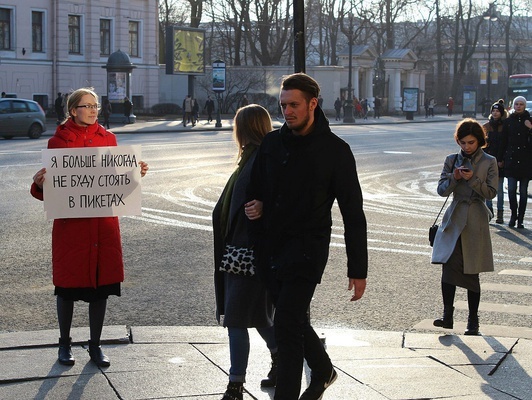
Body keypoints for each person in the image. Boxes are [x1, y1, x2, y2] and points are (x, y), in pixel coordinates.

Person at [246, 73, 368, 400]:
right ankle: (324, 370)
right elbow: (254, 190)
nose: (287, 111)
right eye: (283, 105)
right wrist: (256, 205)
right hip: (270, 249)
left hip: (307, 252)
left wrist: (358, 269)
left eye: (294, 105)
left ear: (313, 104)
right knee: (292, 318)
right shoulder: (271, 143)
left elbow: (353, 214)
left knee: (286, 326)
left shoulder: (335, 151)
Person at [30, 87, 149, 367]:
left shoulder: (109, 138)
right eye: (87, 106)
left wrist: (135, 174)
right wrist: (38, 184)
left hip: (103, 226)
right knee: (67, 288)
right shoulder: (57, 143)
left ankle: (95, 346)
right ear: (73, 110)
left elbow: (118, 185)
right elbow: (53, 191)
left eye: (96, 105)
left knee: (101, 288)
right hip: (72, 229)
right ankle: (65, 344)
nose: (94, 110)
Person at [213, 104, 278, 400]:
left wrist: (264, 208)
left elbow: (281, 200)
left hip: (246, 255)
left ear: (245, 129)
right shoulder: (253, 158)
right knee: (261, 317)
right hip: (243, 254)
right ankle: (281, 360)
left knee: (238, 320)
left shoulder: (261, 160)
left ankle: (235, 385)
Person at [431, 118, 497, 336]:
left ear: (479, 141)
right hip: (454, 218)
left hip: (476, 219)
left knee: (472, 270)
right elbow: (441, 190)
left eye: (471, 142)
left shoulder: (489, 161)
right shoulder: (451, 160)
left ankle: (473, 320)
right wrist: (455, 177)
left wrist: (472, 181)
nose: (467, 147)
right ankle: (447, 316)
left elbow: (491, 193)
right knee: (448, 266)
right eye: (463, 142)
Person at [498, 96, 532, 228]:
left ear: (524, 106)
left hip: (526, 161)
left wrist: (530, 129)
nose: (518, 106)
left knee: (523, 192)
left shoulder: (529, 120)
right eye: (516, 104)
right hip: (511, 160)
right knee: (511, 190)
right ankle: (513, 215)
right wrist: (500, 159)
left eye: (521, 104)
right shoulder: (508, 121)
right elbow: (503, 141)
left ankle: (520, 219)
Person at [482, 102, 507, 223]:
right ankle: (489, 211)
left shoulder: (505, 126)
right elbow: (482, 145)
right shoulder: (486, 126)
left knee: (500, 189)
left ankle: (500, 213)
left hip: (500, 162)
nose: (495, 113)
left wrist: (502, 160)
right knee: (488, 187)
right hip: (488, 161)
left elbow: (506, 145)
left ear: (501, 113)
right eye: (493, 111)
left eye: (497, 111)